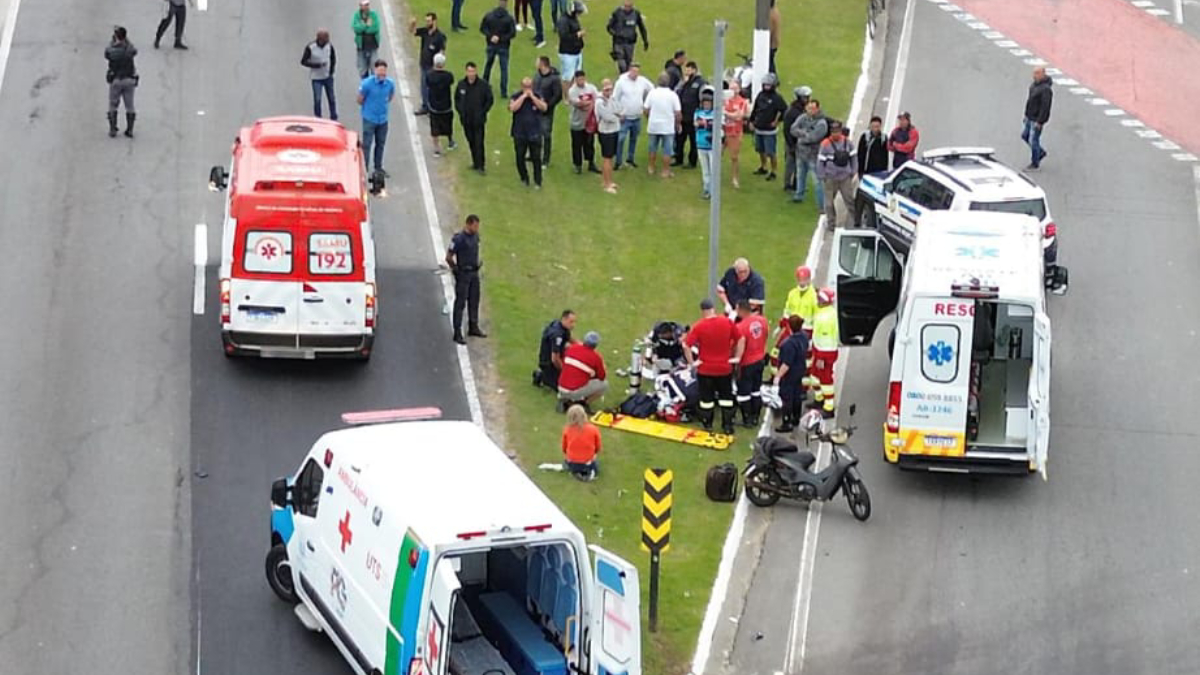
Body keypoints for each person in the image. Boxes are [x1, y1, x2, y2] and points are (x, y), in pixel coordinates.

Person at [683, 299, 739, 434]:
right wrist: (737, 357)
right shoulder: (727, 322)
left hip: (706, 369)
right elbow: (740, 338)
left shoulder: (699, 326)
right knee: (726, 398)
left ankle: (707, 423)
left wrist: (692, 363)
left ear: (703, 311)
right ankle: (727, 425)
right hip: (724, 368)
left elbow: (686, 345)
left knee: (706, 400)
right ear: (713, 309)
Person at [446, 215, 487, 344]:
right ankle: (457, 331)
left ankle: (473, 326)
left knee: (474, 300)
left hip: (474, 273)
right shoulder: (459, 239)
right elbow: (449, 257)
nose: (476, 228)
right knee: (460, 303)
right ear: (468, 224)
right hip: (464, 273)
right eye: (475, 226)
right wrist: (456, 270)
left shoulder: (476, 236)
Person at [771, 264, 817, 379]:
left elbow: (816, 317)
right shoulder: (793, 293)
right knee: (776, 352)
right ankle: (775, 376)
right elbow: (787, 311)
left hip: (806, 332)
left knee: (805, 360)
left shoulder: (814, 296)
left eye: (804, 279)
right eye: (800, 279)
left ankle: (803, 387)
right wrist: (781, 326)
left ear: (809, 279)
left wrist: (814, 336)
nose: (802, 282)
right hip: (790, 328)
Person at [771, 314, 809, 433]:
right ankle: (796, 418)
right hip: (800, 370)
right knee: (797, 394)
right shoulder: (804, 336)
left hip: (790, 374)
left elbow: (786, 364)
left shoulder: (788, 344)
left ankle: (787, 422)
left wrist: (778, 376)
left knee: (786, 398)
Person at [358, 59, 396, 176]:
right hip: (369, 119)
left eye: (384, 72)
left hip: (383, 120)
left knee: (380, 144)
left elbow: (390, 96)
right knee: (367, 145)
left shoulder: (390, 83)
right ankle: (364, 169)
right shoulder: (366, 84)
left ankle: (378, 168)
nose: (382, 75)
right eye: (380, 72)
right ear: (375, 71)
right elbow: (360, 99)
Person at [734, 300, 769, 428]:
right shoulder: (762, 321)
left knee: (744, 393)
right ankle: (755, 417)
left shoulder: (741, 327)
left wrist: (736, 360)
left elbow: (740, 346)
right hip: (760, 359)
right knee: (756, 390)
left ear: (741, 310)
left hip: (747, 363)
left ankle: (747, 419)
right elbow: (766, 335)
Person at [612, 63, 653, 169]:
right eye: (633, 71)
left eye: (637, 72)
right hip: (625, 117)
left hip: (637, 117)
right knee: (621, 139)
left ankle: (630, 159)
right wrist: (619, 113)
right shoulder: (621, 82)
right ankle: (618, 161)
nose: (635, 74)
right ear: (629, 70)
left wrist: (646, 103)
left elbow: (652, 90)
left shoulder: (642, 81)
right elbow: (615, 98)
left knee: (634, 138)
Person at [817, 119, 857, 227]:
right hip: (830, 178)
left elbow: (853, 157)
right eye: (833, 132)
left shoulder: (848, 142)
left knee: (850, 201)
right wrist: (822, 175)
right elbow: (821, 161)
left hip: (845, 178)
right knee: (829, 203)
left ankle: (856, 221)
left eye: (837, 131)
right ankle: (831, 223)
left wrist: (853, 171)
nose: (836, 134)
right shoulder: (825, 144)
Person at [456, 62, 495, 173]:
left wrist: (483, 112)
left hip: (478, 120)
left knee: (479, 142)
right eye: (469, 71)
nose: (471, 74)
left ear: (476, 71)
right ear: (466, 71)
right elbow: (457, 99)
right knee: (471, 141)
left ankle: (481, 165)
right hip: (466, 120)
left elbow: (489, 100)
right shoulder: (461, 85)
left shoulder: (483, 85)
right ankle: (475, 162)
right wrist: (461, 112)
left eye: (473, 71)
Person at [510, 76, 548, 186]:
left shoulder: (537, 95)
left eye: (529, 86)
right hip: (519, 132)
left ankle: (538, 181)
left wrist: (532, 97)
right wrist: (523, 97)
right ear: (521, 86)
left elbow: (544, 107)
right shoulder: (516, 96)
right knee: (519, 157)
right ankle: (524, 178)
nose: (527, 89)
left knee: (536, 158)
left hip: (535, 133)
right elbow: (513, 108)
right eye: (525, 86)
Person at [750, 72, 787, 181]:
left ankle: (774, 171)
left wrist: (777, 121)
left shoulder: (777, 98)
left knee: (771, 152)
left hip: (769, 131)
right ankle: (763, 166)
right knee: (760, 150)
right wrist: (751, 121)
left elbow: (784, 110)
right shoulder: (761, 95)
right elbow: (755, 109)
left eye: (768, 85)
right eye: (765, 85)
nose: (766, 87)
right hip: (758, 128)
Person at [644, 72, 681, 178]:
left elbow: (646, 109)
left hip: (654, 125)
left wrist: (649, 118)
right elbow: (678, 112)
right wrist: (677, 123)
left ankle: (651, 167)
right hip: (667, 127)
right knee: (667, 150)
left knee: (652, 148)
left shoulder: (652, 93)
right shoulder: (673, 95)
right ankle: (665, 171)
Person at [790, 98, 827, 206]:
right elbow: (793, 129)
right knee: (800, 175)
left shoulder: (821, 123)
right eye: (809, 108)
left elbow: (813, 138)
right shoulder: (803, 117)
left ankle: (822, 204)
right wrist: (805, 133)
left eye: (813, 108)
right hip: (801, 153)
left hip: (813, 155)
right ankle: (799, 195)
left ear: (818, 109)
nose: (810, 110)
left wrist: (801, 136)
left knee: (817, 181)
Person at [559, 331, 609, 408]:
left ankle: (566, 399)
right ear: (595, 345)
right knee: (604, 385)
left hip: (561, 386)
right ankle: (582, 404)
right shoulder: (596, 357)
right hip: (573, 390)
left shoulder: (572, 348)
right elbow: (602, 377)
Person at [409, 13, 447, 115]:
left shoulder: (440, 36)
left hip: (432, 67)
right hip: (423, 64)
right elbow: (413, 32)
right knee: (423, 87)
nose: (427, 23)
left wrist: (438, 65)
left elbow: (442, 51)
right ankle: (425, 106)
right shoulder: (425, 31)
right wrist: (412, 24)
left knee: (432, 88)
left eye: (429, 21)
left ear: (434, 21)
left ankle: (432, 107)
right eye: (426, 21)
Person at [809, 288, 838, 417]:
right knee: (815, 377)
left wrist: (821, 357)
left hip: (825, 353)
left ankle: (828, 407)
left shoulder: (826, 317)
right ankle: (819, 399)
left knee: (825, 380)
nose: (818, 300)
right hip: (820, 351)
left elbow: (825, 340)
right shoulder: (826, 312)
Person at [105, 27, 139, 139]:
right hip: (129, 79)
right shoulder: (129, 49)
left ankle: (113, 128)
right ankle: (130, 129)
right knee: (130, 105)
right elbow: (134, 51)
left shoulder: (112, 50)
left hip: (116, 79)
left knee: (113, 104)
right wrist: (126, 40)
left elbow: (107, 54)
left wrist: (113, 41)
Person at [480, 0, 517, 97]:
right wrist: (501, 38)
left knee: (488, 65)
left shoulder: (489, 16)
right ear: (506, 4)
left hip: (491, 45)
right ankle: (503, 92)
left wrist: (491, 36)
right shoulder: (509, 18)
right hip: (504, 46)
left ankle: (484, 86)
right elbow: (512, 33)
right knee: (504, 69)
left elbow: (483, 28)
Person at [673, 61, 706, 168]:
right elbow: (676, 92)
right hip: (682, 116)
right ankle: (679, 158)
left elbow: (703, 99)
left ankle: (692, 162)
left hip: (694, 116)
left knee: (693, 141)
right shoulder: (683, 82)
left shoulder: (701, 83)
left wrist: (700, 115)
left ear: (694, 70)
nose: (686, 71)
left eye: (688, 69)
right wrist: (684, 83)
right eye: (685, 69)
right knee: (679, 139)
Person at [567, 70, 600, 174]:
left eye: (582, 78)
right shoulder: (572, 91)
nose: (581, 81)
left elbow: (598, 98)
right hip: (577, 123)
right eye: (579, 79)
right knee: (577, 145)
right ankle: (578, 165)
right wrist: (590, 102)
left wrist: (589, 103)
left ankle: (591, 163)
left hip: (589, 122)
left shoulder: (591, 87)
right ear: (575, 79)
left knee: (589, 143)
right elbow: (579, 104)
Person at [302, 30, 338, 121]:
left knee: (332, 98)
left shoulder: (329, 46)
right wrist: (316, 65)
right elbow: (303, 61)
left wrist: (331, 71)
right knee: (317, 99)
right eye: (325, 40)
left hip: (328, 77)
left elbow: (333, 58)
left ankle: (334, 117)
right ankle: (318, 118)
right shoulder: (310, 47)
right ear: (320, 39)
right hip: (316, 78)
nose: (327, 41)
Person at [532, 57, 563, 166]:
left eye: (537, 62)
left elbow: (558, 95)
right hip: (535, 109)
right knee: (535, 133)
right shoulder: (537, 75)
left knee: (546, 134)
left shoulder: (554, 79)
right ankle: (534, 155)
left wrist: (548, 106)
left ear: (542, 64)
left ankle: (545, 159)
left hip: (546, 112)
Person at [535, 310, 577, 389]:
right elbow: (554, 359)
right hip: (548, 362)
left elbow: (570, 339)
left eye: (574, 322)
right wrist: (563, 371)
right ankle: (541, 376)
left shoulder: (560, 325)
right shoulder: (557, 335)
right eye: (571, 322)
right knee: (563, 386)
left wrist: (583, 346)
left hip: (556, 355)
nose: (573, 325)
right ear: (564, 319)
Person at [426, 53, 457, 157]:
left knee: (434, 126)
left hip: (434, 105)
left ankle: (436, 148)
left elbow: (427, 84)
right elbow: (451, 82)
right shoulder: (448, 76)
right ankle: (450, 141)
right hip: (446, 105)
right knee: (448, 123)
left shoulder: (430, 75)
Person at [1022, 66, 1053, 170]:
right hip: (1030, 117)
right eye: (1034, 73)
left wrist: (1040, 122)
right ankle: (1040, 152)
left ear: (1043, 74)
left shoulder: (1046, 90)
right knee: (1025, 136)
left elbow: (1045, 107)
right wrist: (1026, 115)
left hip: (1036, 120)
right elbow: (1029, 102)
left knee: (1033, 140)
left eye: (1037, 73)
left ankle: (1035, 163)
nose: (1034, 76)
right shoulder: (1034, 86)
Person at [606, 0, 649, 74]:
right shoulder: (617, 12)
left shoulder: (636, 13)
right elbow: (609, 26)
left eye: (629, 6)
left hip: (630, 43)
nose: (627, 8)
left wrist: (645, 41)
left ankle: (625, 79)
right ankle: (622, 77)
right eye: (626, 6)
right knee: (622, 64)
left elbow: (642, 27)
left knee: (628, 64)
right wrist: (615, 33)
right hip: (619, 43)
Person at [561, 404, 602, 481]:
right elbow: (598, 446)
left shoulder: (567, 429)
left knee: (569, 462)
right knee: (596, 464)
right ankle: (589, 472)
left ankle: (575, 471)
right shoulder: (593, 429)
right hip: (587, 462)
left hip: (572, 462)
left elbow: (564, 447)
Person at [595, 78, 622, 193]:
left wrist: (617, 115)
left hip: (614, 130)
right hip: (606, 132)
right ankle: (606, 184)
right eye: (606, 90)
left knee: (611, 158)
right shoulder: (600, 102)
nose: (608, 92)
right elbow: (607, 117)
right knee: (607, 158)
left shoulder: (613, 98)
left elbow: (619, 109)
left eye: (610, 89)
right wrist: (618, 117)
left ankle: (609, 181)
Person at [781, 86, 811, 191]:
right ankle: (787, 184)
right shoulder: (792, 112)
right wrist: (791, 145)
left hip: (801, 142)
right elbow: (786, 130)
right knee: (790, 164)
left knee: (801, 164)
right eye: (804, 98)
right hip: (792, 142)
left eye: (807, 97)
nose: (807, 100)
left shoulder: (804, 110)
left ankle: (797, 184)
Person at [722, 79, 749, 189]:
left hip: (735, 132)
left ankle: (735, 178)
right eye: (731, 88)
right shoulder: (724, 100)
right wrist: (730, 114)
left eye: (735, 88)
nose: (733, 91)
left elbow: (739, 116)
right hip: (723, 130)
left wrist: (726, 113)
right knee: (716, 154)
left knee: (734, 157)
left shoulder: (742, 102)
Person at [556, 1, 587, 81]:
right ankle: (567, 93)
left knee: (577, 76)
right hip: (568, 54)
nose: (579, 14)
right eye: (578, 12)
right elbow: (564, 37)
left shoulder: (573, 19)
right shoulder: (563, 21)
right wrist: (577, 35)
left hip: (576, 51)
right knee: (568, 78)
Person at [695, 85, 716, 199]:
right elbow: (697, 124)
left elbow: (715, 126)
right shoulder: (698, 112)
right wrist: (707, 124)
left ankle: (713, 190)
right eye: (705, 103)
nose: (707, 105)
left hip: (712, 146)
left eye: (709, 103)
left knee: (713, 169)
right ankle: (706, 189)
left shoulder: (715, 114)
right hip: (701, 144)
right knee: (705, 170)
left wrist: (705, 124)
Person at [352, 1, 382, 79]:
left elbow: (375, 28)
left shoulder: (373, 15)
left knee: (374, 67)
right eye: (363, 5)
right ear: (360, 6)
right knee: (362, 69)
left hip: (373, 46)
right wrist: (366, 25)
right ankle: (365, 86)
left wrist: (362, 30)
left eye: (367, 5)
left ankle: (373, 86)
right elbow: (355, 28)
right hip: (361, 47)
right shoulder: (356, 16)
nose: (365, 7)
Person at [768, 0, 781, 75]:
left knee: (769, 61)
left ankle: (773, 76)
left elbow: (769, 31)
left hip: (771, 43)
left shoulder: (770, 15)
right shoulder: (775, 11)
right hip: (775, 42)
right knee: (771, 60)